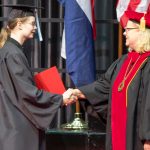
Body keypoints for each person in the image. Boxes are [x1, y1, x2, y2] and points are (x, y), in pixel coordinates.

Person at [0, 5, 76, 150]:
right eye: (33, 23)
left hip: (9, 124)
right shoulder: (14, 54)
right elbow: (27, 93)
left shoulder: (8, 51)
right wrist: (60, 98)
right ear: (20, 25)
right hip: (18, 128)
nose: (35, 27)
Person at [71, 11, 150, 150]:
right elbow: (104, 87)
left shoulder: (148, 64)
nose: (124, 33)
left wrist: (148, 139)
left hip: (137, 138)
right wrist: (78, 93)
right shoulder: (123, 62)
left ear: (141, 31)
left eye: (127, 30)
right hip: (118, 133)